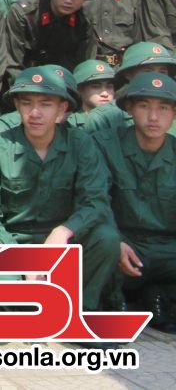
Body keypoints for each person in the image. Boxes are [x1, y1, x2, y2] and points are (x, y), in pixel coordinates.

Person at [0, 69, 118, 308]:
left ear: (62, 110)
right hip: (12, 243)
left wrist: (64, 231)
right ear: (17, 106)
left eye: (46, 104)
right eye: (27, 103)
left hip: (62, 245)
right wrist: (22, 259)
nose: (35, 113)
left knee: (107, 238)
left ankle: (80, 308)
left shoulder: (81, 144)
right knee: (5, 301)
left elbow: (95, 201)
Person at [95, 72, 176, 328]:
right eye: (144, 106)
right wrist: (115, 240)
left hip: (168, 248)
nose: (153, 117)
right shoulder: (105, 145)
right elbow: (93, 200)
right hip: (124, 246)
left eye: (163, 108)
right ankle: (112, 304)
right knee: (100, 248)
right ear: (129, 107)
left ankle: (160, 295)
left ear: (174, 113)